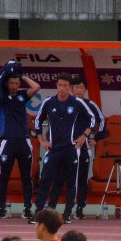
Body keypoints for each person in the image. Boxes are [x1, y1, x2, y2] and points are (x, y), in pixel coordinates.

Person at [34, 73, 96, 222]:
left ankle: (67, 213)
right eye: (60, 85)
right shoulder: (49, 102)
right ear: (56, 86)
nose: (62, 88)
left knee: (71, 182)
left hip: (71, 149)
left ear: (70, 88)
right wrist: (42, 140)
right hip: (53, 149)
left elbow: (92, 119)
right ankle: (38, 214)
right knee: (46, 180)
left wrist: (84, 136)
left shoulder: (77, 102)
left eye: (65, 86)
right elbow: (37, 122)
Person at [0, 62, 41, 221]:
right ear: (6, 83)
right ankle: (2, 208)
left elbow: (36, 87)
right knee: (4, 176)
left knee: (26, 177)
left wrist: (21, 75)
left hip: (24, 141)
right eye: (11, 82)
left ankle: (27, 208)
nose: (14, 86)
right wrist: (6, 72)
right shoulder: (1, 97)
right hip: (7, 141)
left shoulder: (22, 95)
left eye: (17, 83)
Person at [69, 75, 107, 220]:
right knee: (67, 177)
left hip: (83, 146)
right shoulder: (65, 103)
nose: (79, 90)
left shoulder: (90, 104)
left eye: (82, 88)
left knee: (82, 176)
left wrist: (96, 138)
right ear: (71, 88)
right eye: (77, 87)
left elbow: (102, 120)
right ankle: (67, 206)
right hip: (66, 146)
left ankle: (80, 207)